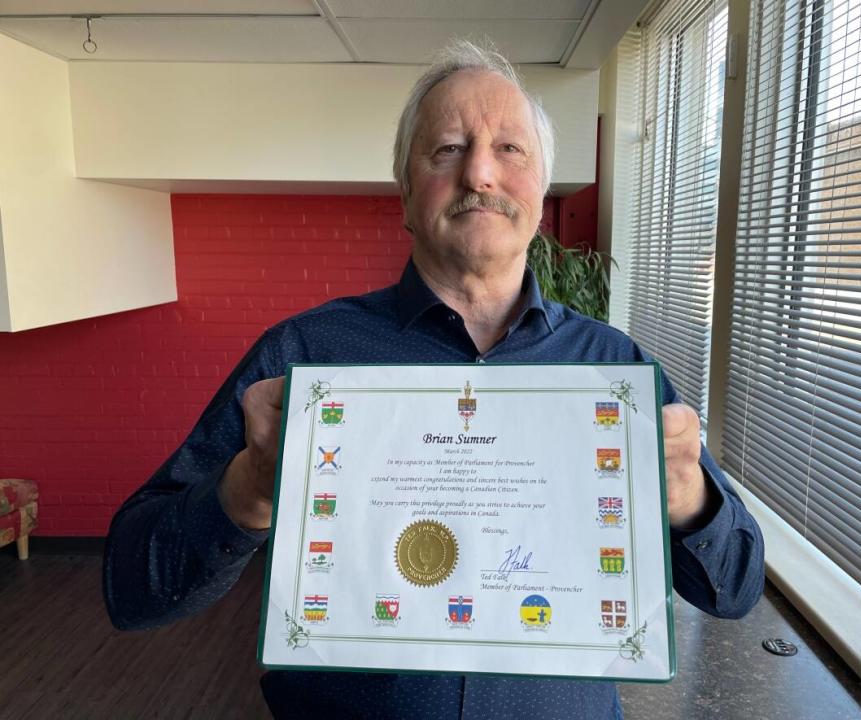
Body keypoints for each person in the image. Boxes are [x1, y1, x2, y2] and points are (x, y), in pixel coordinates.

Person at [104, 40, 764, 719]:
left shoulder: (614, 373)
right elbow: (131, 588)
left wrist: (688, 497)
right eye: (446, 149)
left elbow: (735, 588)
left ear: (540, 190)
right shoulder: (305, 358)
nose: (479, 172)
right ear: (406, 195)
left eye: (510, 149)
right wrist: (244, 492)